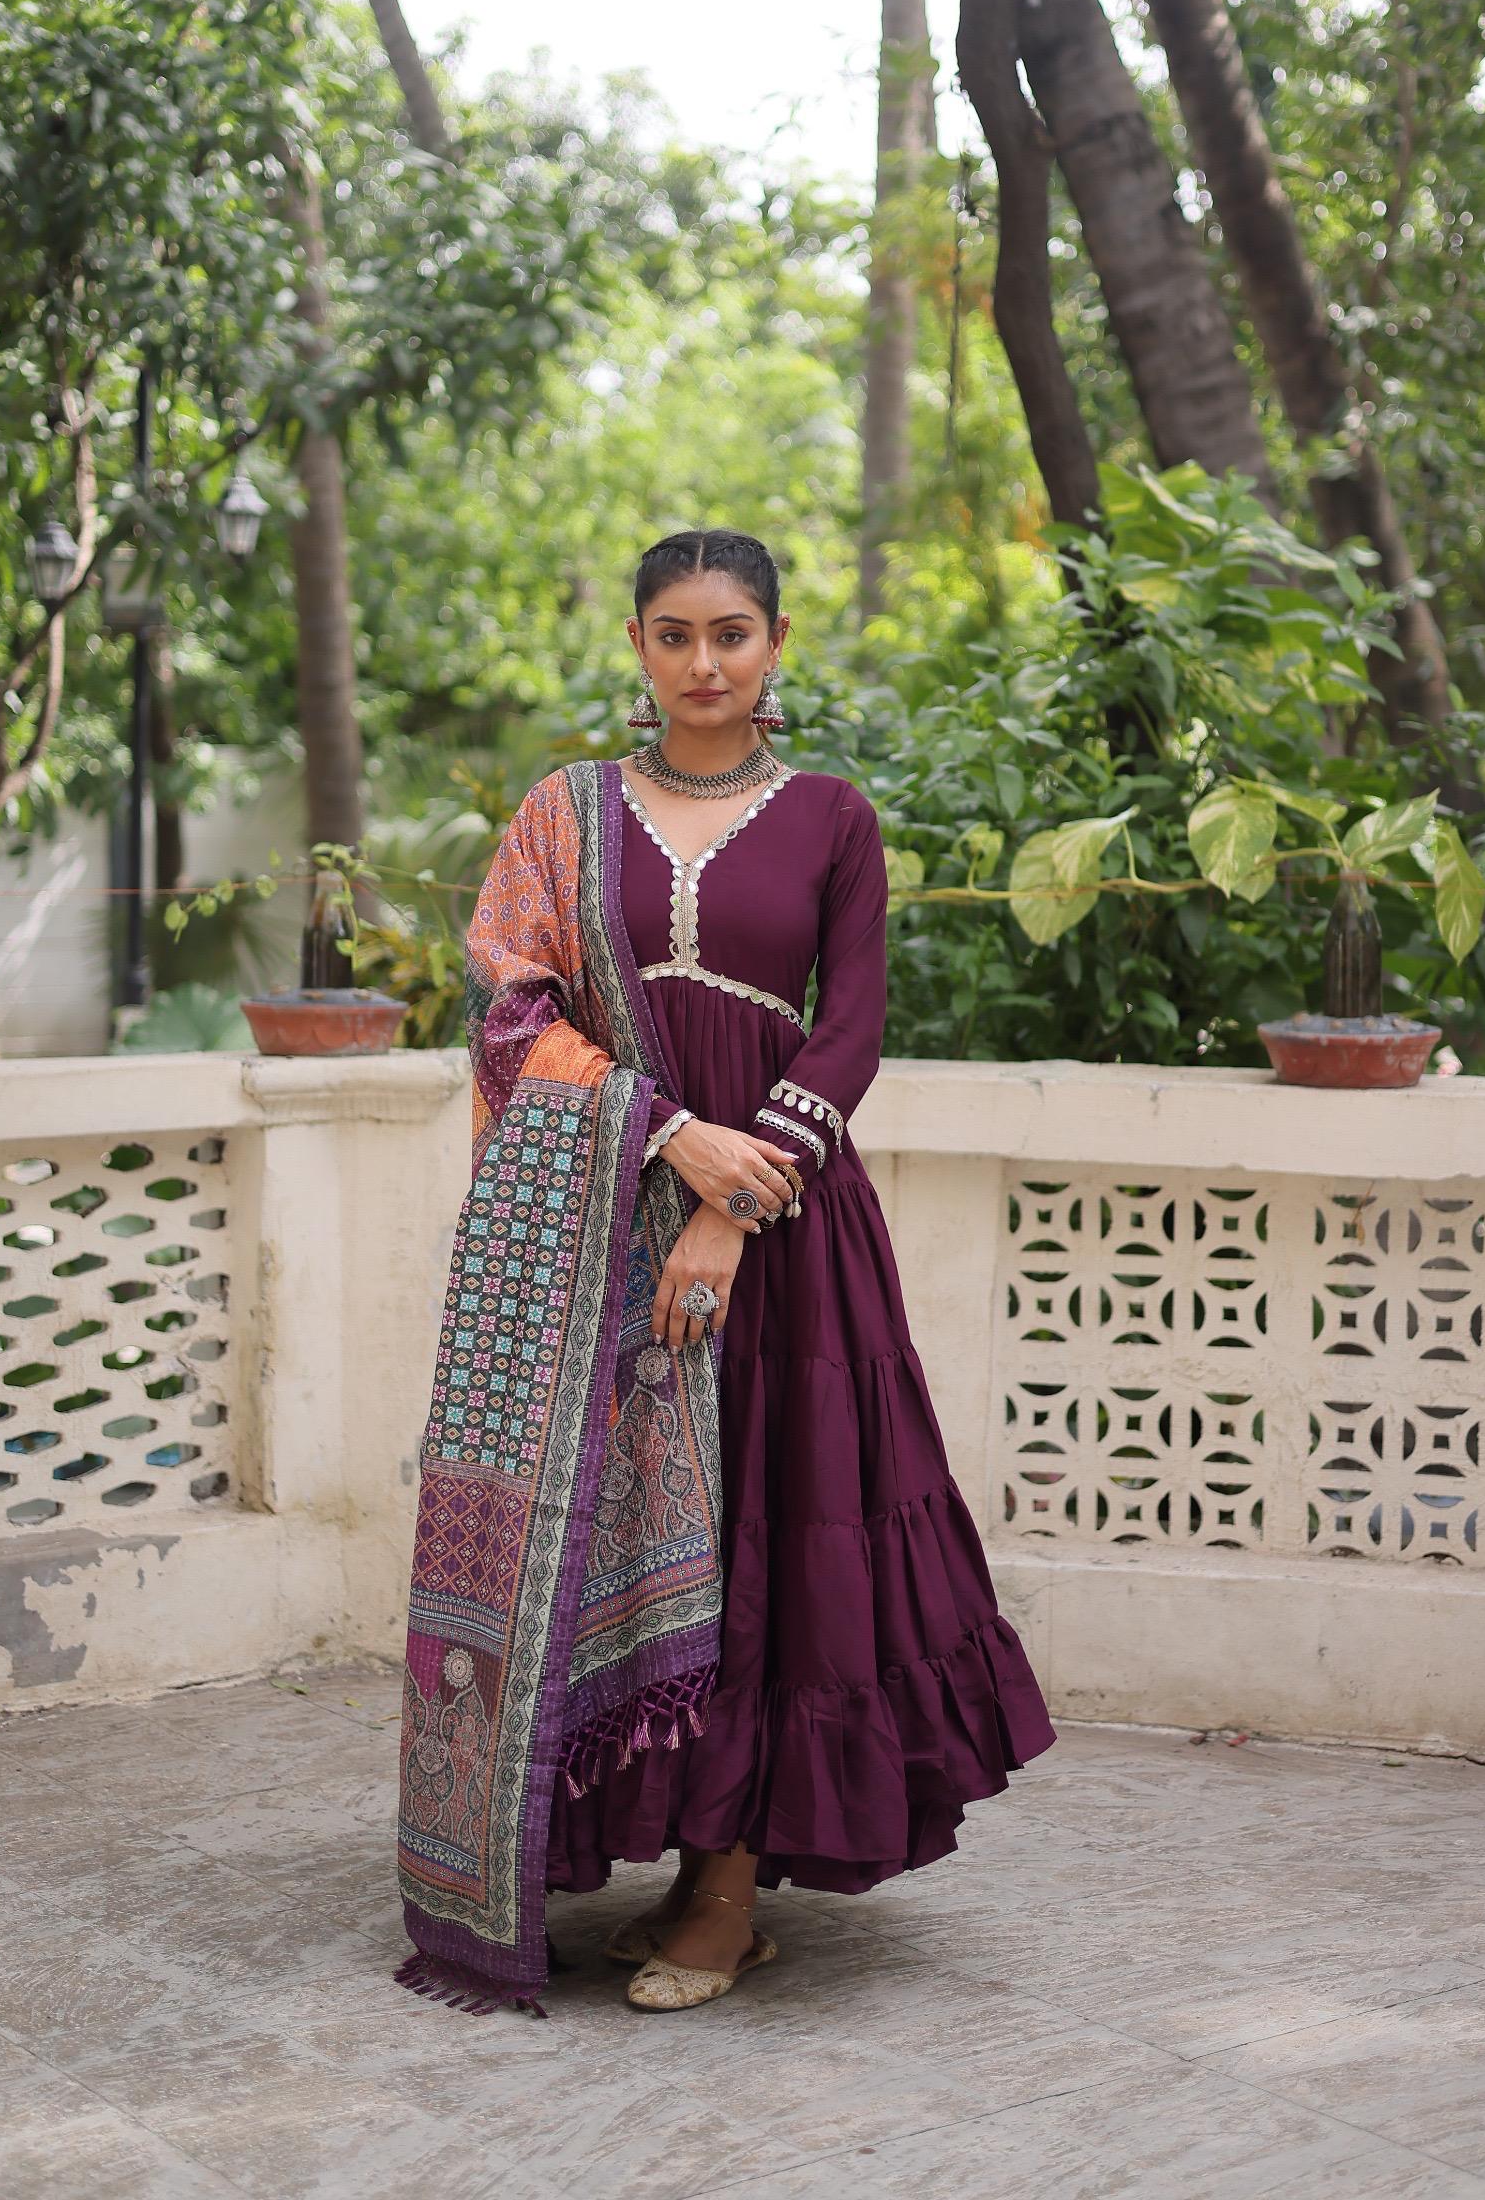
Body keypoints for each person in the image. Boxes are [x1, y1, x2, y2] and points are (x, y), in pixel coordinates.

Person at [395, 528, 1055, 2019]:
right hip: (601, 1231)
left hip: (788, 1229)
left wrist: (731, 1202)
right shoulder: (565, 814)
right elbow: (509, 1007)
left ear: (776, 645)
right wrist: (668, 1141)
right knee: (628, 1537)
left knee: (772, 1535)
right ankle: (676, 1847)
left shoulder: (831, 817)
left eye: (734, 634)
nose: (706, 663)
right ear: (638, 647)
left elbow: (851, 1032)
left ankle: (732, 1882)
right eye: (677, 635)